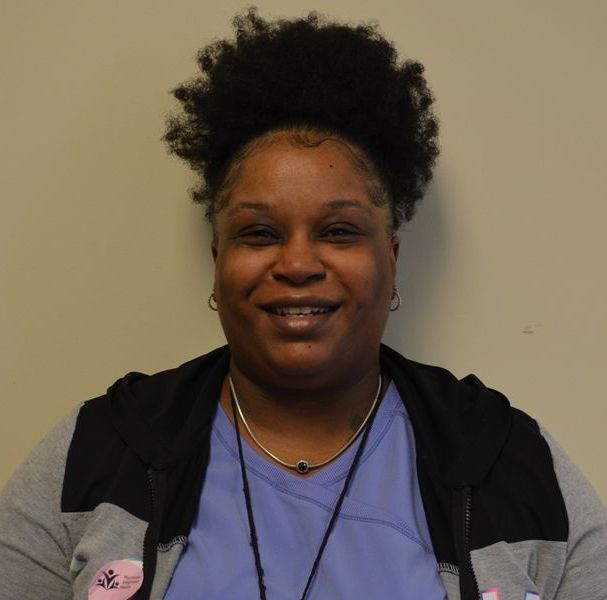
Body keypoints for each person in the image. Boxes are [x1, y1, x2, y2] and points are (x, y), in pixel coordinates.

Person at [1, 7, 606, 600]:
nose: (296, 264)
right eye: (259, 233)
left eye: (339, 231)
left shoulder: (508, 462)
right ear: (217, 259)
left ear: (391, 258)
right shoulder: (100, 453)